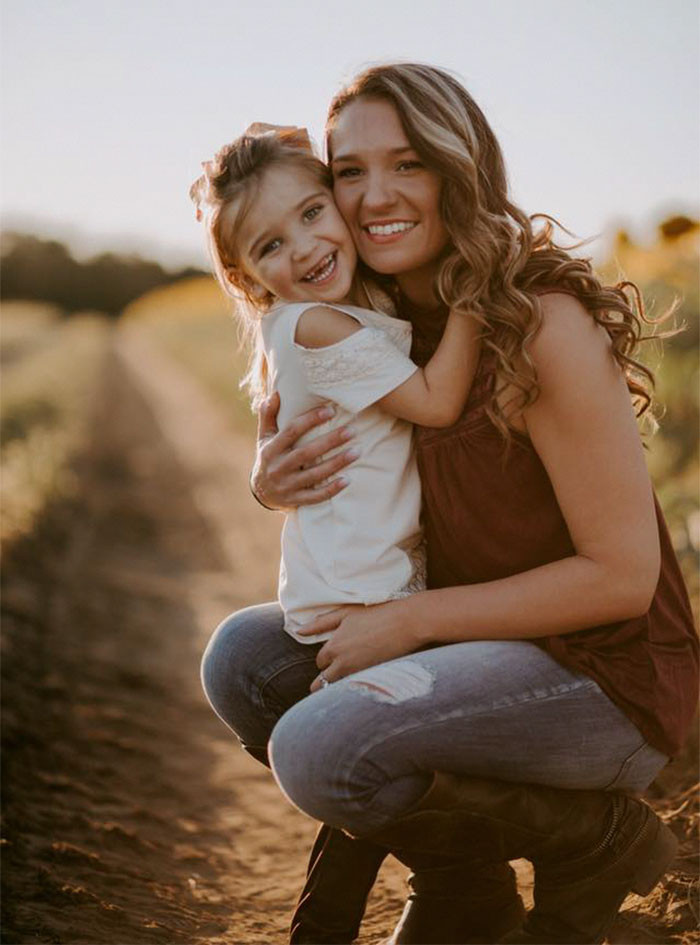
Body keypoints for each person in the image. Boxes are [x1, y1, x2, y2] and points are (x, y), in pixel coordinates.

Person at [200, 64, 699, 945]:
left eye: (409, 163)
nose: (374, 195)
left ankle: (595, 836)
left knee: (317, 749)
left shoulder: (539, 321)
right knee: (244, 657)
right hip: (483, 645)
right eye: (349, 172)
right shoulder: (385, 320)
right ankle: (464, 884)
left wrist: (412, 622)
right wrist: (266, 477)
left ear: (460, 168)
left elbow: (623, 578)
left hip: (600, 683)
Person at [190, 125, 478, 643]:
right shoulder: (316, 326)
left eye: (312, 213)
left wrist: (280, 143)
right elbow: (436, 404)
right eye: (272, 245)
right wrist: (474, 290)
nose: (304, 249)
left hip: (360, 579)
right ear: (245, 276)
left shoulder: (343, 303)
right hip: (357, 599)